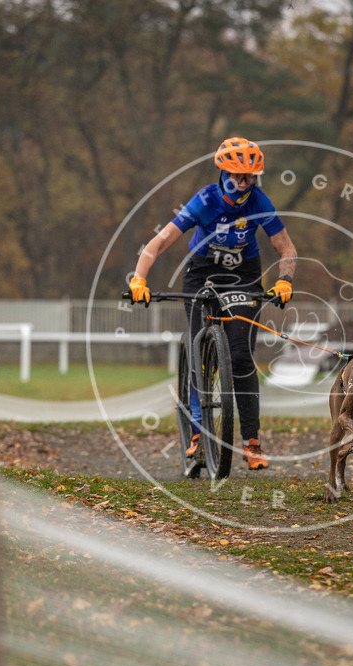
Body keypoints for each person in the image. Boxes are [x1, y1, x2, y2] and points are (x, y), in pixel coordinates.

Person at [129, 137, 297, 470]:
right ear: (223, 172)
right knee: (198, 354)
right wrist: (139, 278)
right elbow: (161, 242)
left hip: (244, 276)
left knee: (240, 356)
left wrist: (284, 281)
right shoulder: (204, 201)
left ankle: (251, 441)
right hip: (202, 271)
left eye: (249, 177)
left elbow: (286, 249)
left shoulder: (259, 202)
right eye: (237, 176)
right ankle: (196, 432)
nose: (243, 183)